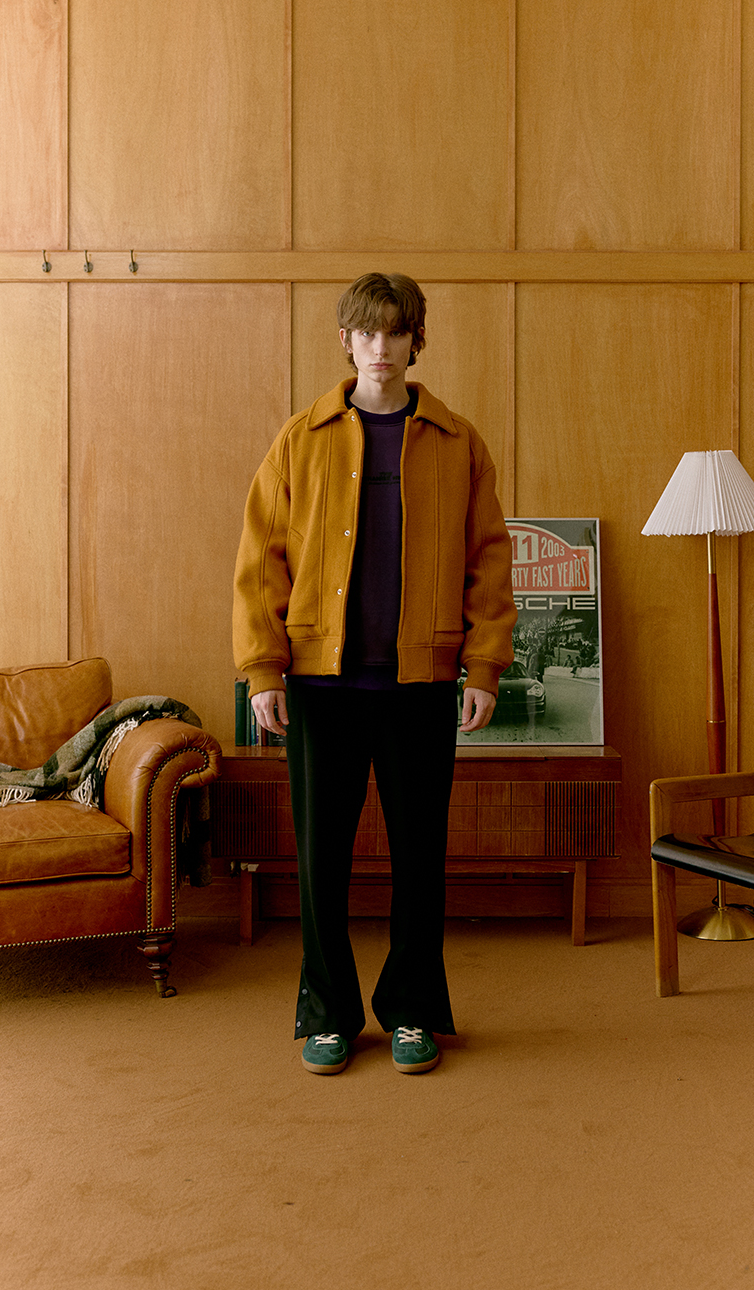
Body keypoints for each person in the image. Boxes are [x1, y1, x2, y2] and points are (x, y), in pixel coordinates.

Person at [233, 272, 516, 1075]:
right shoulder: (302, 438)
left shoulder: (458, 444)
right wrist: (263, 670)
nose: (380, 347)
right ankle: (327, 1013)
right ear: (347, 341)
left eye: (395, 332)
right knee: (320, 861)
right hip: (320, 688)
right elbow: (261, 560)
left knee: (421, 858)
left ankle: (412, 1009)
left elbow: (488, 561)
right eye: (367, 332)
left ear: (416, 340)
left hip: (419, 688)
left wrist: (484, 666)